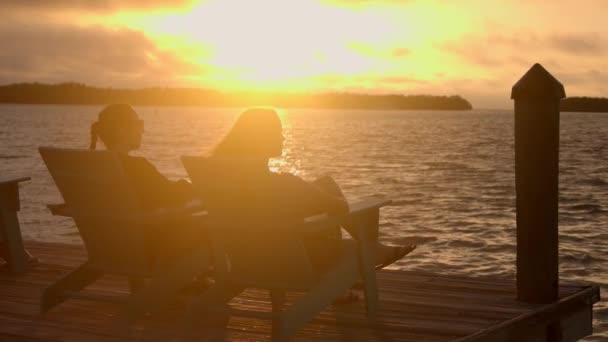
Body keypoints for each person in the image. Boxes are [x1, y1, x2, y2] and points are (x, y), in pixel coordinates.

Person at [211, 107, 415, 273]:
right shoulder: (284, 185)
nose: (282, 138)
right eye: (278, 132)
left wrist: (308, 194)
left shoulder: (221, 178)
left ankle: (368, 254)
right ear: (261, 138)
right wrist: (307, 194)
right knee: (331, 204)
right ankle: (371, 250)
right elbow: (340, 207)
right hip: (295, 260)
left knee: (324, 184)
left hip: (245, 256)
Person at [88, 104, 202, 267]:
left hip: (111, 245)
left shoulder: (94, 167)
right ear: (121, 129)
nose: (142, 130)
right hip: (149, 247)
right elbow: (172, 195)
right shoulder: (135, 167)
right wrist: (204, 189)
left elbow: (161, 192)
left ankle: (189, 281)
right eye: (139, 124)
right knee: (211, 228)